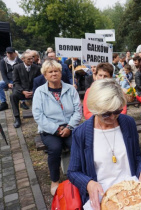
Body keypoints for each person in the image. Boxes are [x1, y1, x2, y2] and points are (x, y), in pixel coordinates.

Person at [68, 79, 141, 208]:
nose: (113, 117)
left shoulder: (128, 123)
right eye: (106, 114)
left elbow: (137, 156)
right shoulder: (81, 133)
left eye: (117, 111)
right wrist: (89, 183)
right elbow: (73, 172)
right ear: (94, 108)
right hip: (103, 194)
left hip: (131, 190)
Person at [32, 59, 82, 195]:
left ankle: (77, 175)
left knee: (77, 146)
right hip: (49, 129)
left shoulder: (71, 89)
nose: (54, 74)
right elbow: (38, 115)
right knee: (54, 148)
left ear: (61, 73)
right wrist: (55, 129)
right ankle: (55, 179)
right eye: (50, 72)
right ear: (45, 75)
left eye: (56, 71)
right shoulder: (40, 92)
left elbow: (78, 110)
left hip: (69, 127)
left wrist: (70, 126)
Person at [10, 51, 41, 128]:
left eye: (32, 58)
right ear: (23, 59)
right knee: (12, 96)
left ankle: (41, 116)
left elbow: (39, 81)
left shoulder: (37, 68)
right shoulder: (17, 67)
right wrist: (23, 91)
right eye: (29, 59)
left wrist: (33, 91)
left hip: (33, 90)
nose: (31, 60)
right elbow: (16, 82)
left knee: (42, 95)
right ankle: (17, 118)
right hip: (22, 90)